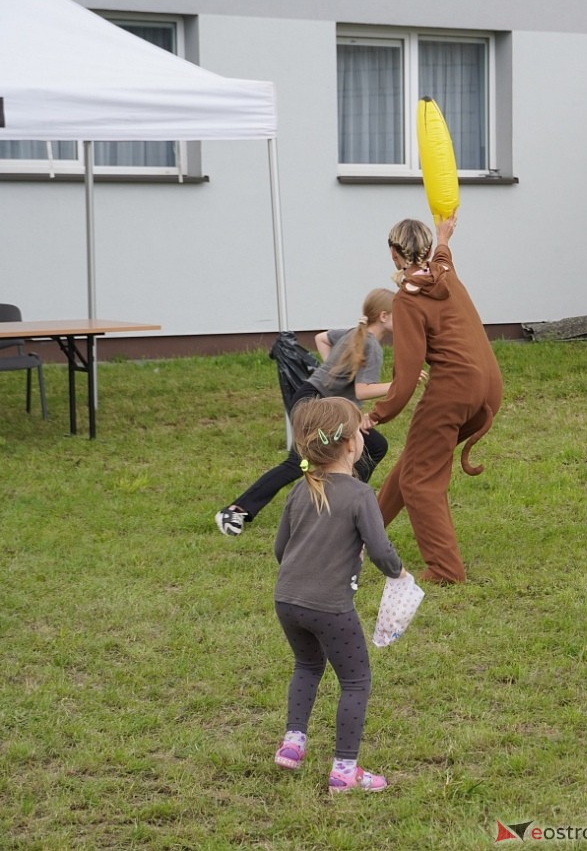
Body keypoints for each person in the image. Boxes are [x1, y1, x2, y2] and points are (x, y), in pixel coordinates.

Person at [271, 396, 407, 793]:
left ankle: (293, 743)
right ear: (350, 444)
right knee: (355, 680)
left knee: (307, 666)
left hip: (287, 601)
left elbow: (282, 550)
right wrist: (400, 572)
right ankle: (345, 771)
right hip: (330, 607)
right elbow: (381, 551)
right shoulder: (360, 494)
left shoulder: (300, 490)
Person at [360, 212, 503, 584]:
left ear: (394, 254)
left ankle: (445, 570)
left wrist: (375, 415)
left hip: (453, 390)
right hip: (488, 385)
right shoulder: (445, 274)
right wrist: (444, 234)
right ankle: (362, 537)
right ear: (425, 249)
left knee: (419, 481)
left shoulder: (406, 302)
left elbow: (406, 378)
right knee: (415, 461)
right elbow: (444, 255)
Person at [215, 288, 398, 536]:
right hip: (316, 404)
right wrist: (399, 384)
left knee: (374, 445)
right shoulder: (372, 346)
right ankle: (235, 511)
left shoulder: (356, 333)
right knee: (299, 462)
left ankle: (338, 501)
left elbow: (322, 338)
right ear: (384, 316)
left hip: (318, 399)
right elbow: (363, 390)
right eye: (401, 314)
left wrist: (331, 377)